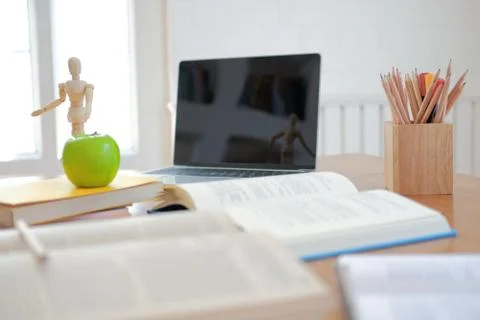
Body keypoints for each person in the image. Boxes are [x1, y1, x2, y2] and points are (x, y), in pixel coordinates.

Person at [31, 57, 94, 137]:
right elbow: (61, 100)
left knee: (77, 133)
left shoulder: (85, 85)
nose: (74, 69)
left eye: (76, 66)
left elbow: (89, 101)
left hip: (78, 113)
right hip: (76, 113)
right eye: (72, 66)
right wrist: (44, 109)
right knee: (75, 132)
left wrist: (88, 112)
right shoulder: (66, 85)